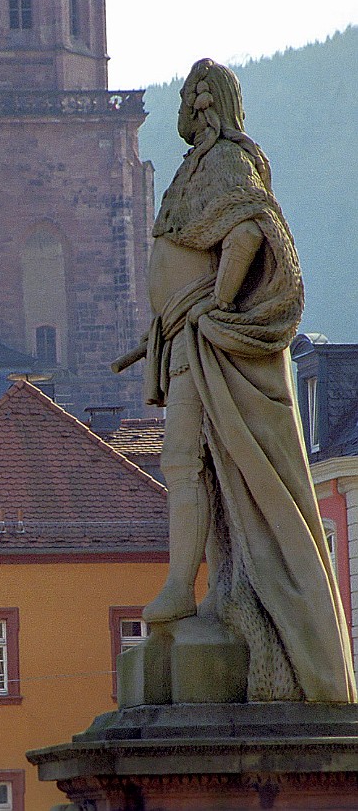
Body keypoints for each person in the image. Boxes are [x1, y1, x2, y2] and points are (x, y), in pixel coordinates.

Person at [138, 59, 355, 702]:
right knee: (186, 466)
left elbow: (245, 232)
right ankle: (191, 587)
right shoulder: (188, 171)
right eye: (189, 97)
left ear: (225, 104)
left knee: (202, 465)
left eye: (209, 97)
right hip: (182, 338)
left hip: (211, 343)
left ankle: (189, 587)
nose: (197, 106)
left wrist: (215, 306)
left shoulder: (230, 161)